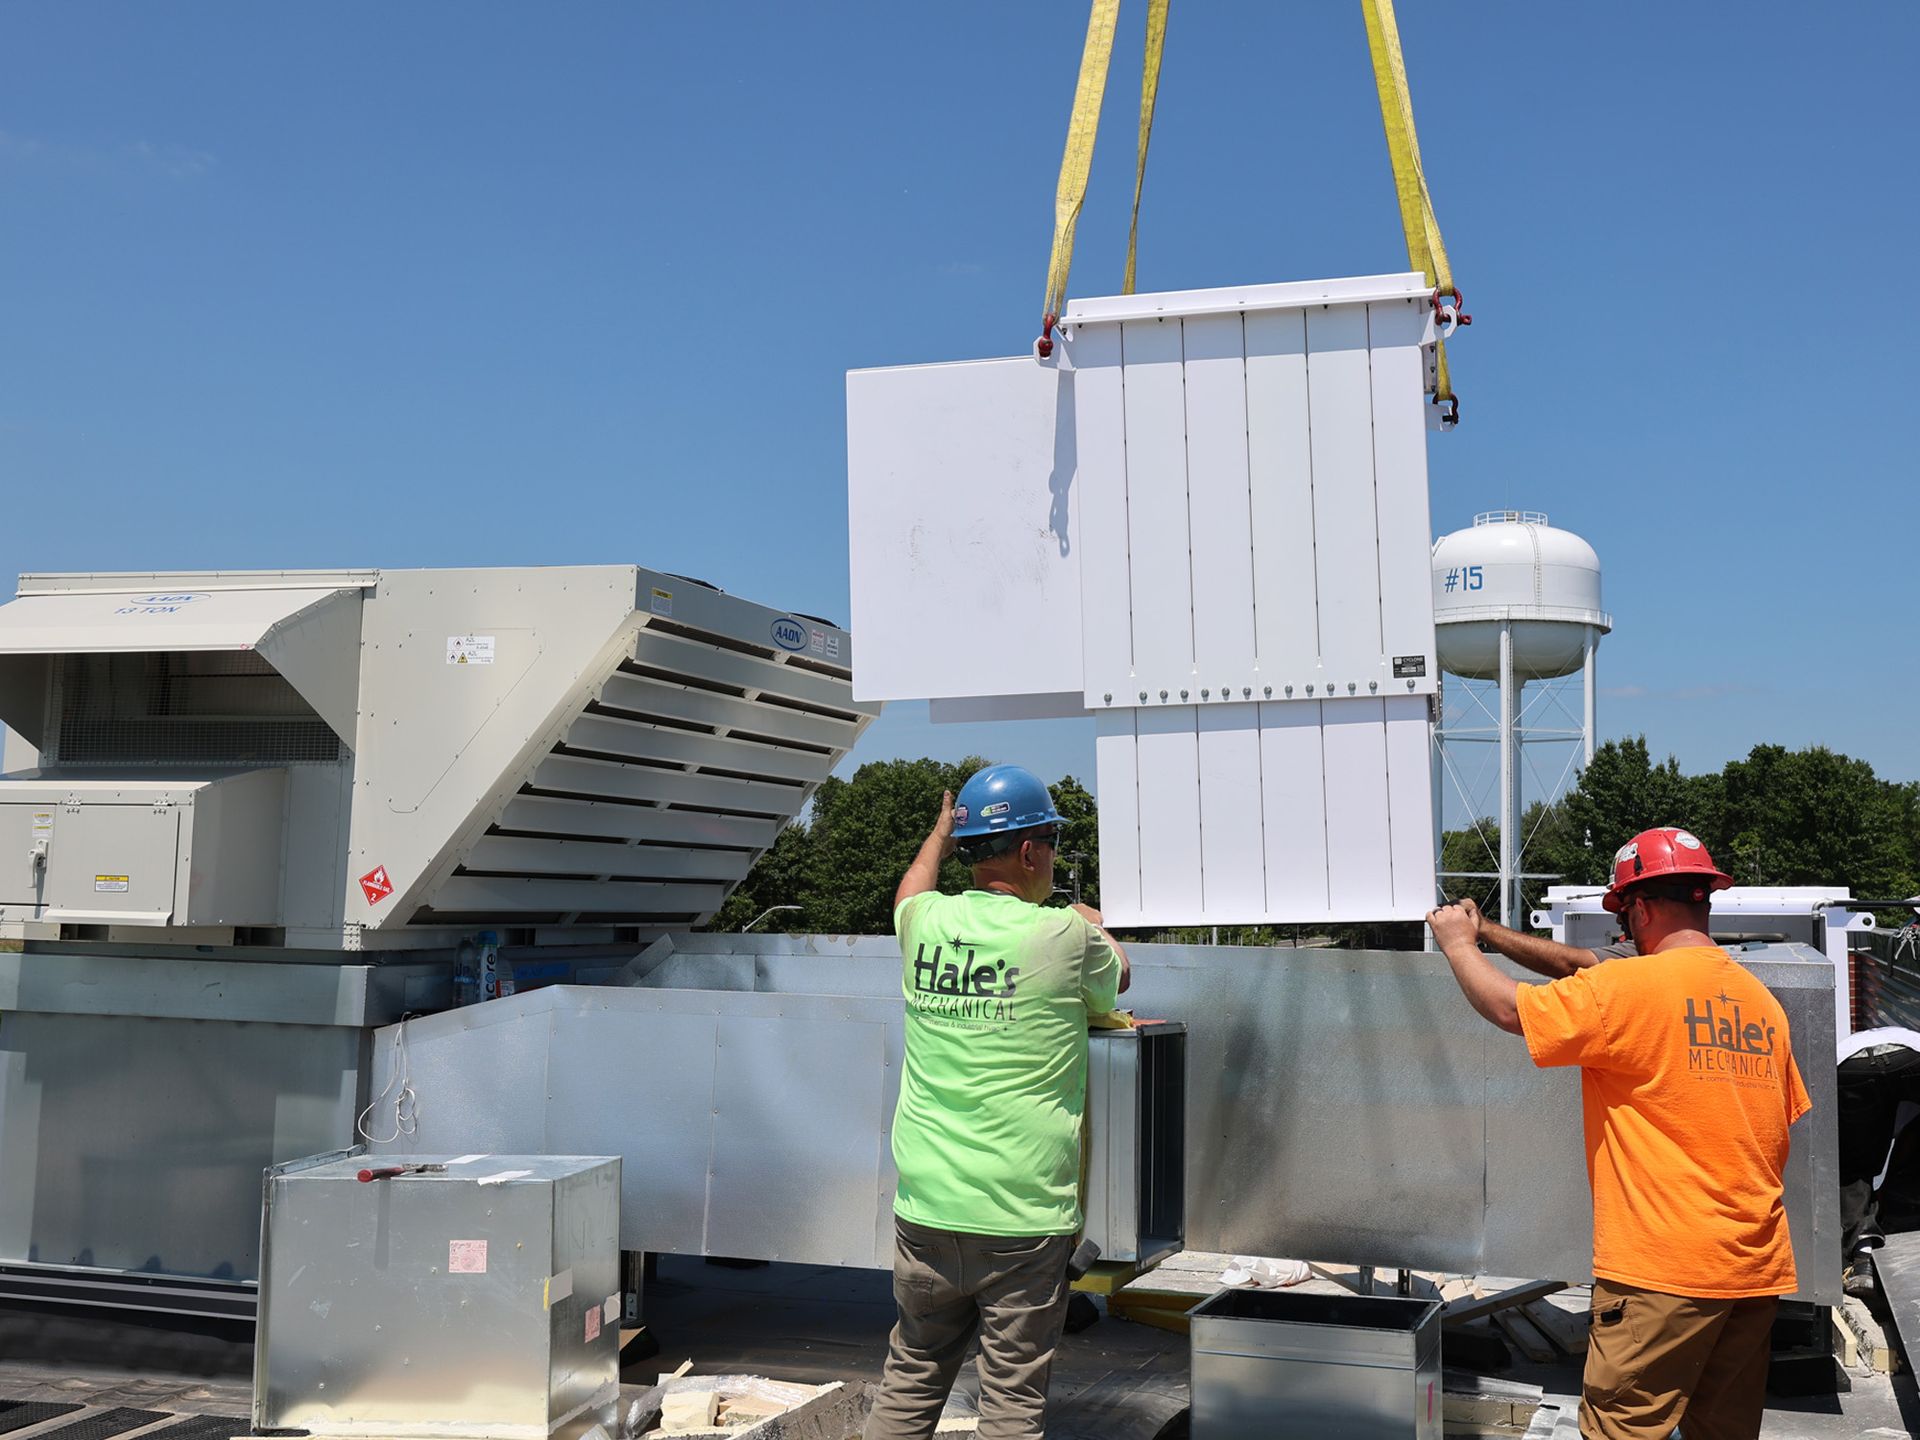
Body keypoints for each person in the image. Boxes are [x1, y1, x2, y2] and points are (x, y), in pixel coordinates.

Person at [1428, 827, 1811, 1440]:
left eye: (1624, 916)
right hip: (1753, 1269)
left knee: (1623, 1430)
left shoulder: (1629, 990)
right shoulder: (1759, 1003)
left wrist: (1457, 946)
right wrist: (1491, 934)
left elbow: (1510, 1009)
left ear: (1640, 907)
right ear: (1704, 900)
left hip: (1661, 1273)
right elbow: (1593, 968)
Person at [865, 764, 1130, 1440]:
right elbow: (1118, 978)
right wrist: (1086, 920)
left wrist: (937, 840)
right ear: (1032, 852)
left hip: (925, 1207)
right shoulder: (1064, 938)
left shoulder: (925, 924)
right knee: (1009, 1405)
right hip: (1020, 1217)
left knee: (913, 1375)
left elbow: (909, 893)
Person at [1454, 894, 1635, 978]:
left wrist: (1461, 944)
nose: (1618, 920)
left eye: (1624, 910)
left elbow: (1510, 1012)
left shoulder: (1640, 953)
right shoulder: (1654, 955)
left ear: (1643, 909)